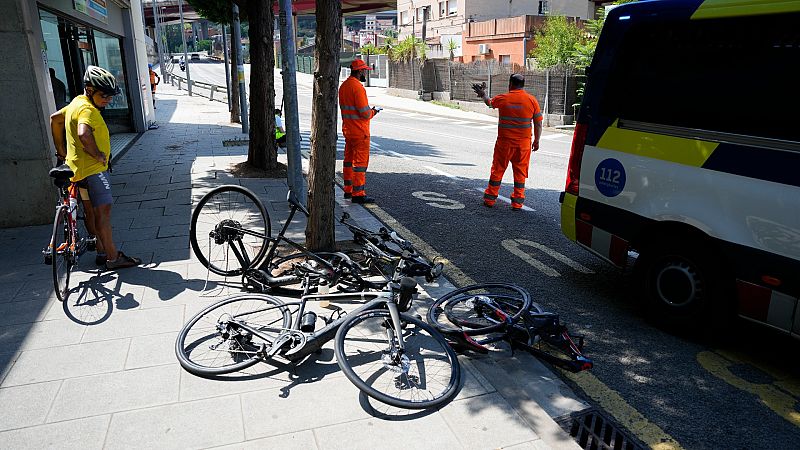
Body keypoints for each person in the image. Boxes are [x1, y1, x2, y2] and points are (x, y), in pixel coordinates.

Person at [49, 65, 142, 270]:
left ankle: (101, 251)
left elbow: (55, 119)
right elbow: (83, 134)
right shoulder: (87, 110)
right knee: (103, 214)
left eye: (111, 96)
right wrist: (98, 154)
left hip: (77, 169)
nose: (108, 100)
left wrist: (61, 151)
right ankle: (113, 258)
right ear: (89, 90)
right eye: (104, 95)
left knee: (90, 212)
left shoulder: (76, 102)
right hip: (93, 171)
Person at [472, 74, 543, 210]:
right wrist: (537, 140)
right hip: (523, 145)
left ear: (510, 84)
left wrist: (483, 94)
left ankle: (490, 199)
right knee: (520, 172)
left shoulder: (503, 98)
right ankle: (517, 203)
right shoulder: (532, 100)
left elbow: (489, 102)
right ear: (523, 85)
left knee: (498, 169)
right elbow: (538, 123)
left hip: (504, 143)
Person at [338, 59, 380, 204]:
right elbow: (365, 113)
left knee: (348, 161)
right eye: (364, 71)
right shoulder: (358, 88)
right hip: (360, 132)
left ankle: (348, 190)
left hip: (348, 130)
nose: (365, 74)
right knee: (360, 164)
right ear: (360, 71)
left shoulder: (344, 86)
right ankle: (358, 193)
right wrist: (374, 111)